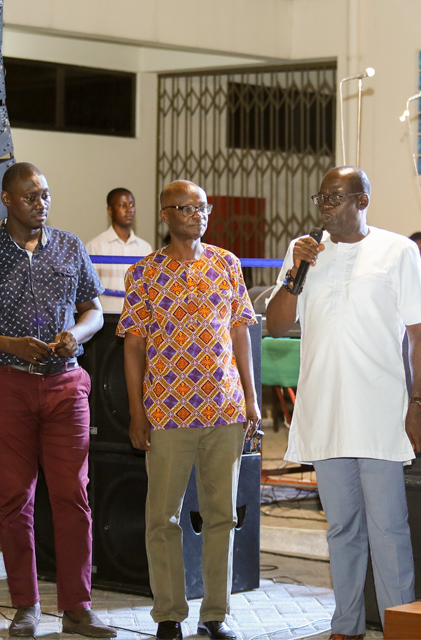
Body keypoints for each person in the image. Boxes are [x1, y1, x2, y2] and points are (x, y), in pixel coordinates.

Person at [0, 162, 115, 638]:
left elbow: (94, 311)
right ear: (7, 201)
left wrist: (73, 335)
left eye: (45, 195)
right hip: (5, 385)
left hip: (64, 385)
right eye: (31, 197)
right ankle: (26, 605)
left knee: (73, 496)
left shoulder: (69, 245)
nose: (41, 204)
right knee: (17, 499)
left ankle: (77, 607)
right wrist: (6, 343)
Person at [266, 166, 421, 640]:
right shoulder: (304, 253)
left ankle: (400, 627)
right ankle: (347, 626)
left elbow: (420, 334)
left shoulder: (398, 251)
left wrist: (417, 404)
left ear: (362, 200)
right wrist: (295, 272)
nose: (326, 207)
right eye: (322, 198)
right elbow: (277, 325)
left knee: (388, 531)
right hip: (325, 411)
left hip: (380, 412)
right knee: (341, 529)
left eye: (336, 198)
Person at [119, 180, 259, 640]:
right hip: (167, 412)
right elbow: (134, 347)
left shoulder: (227, 264)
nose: (196, 214)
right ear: (165, 215)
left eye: (202, 207)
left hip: (224, 410)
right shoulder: (144, 273)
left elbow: (240, 333)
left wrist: (252, 400)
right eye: (185, 207)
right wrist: (137, 413)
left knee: (223, 516)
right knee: (163, 519)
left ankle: (215, 615)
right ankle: (169, 616)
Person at [85, 188, 153, 313]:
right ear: (110, 210)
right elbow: (89, 292)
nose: (129, 210)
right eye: (122, 205)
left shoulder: (145, 248)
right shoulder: (95, 246)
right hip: (106, 319)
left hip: (137, 322)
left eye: (132, 205)